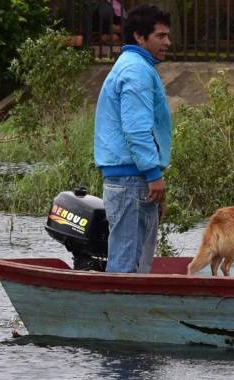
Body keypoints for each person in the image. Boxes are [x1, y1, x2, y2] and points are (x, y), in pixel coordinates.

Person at [94, 4, 172, 273]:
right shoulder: (136, 71)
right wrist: (152, 174)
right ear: (140, 36)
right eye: (161, 36)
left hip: (131, 178)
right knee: (128, 267)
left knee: (135, 264)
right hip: (132, 179)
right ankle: (117, 315)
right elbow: (136, 129)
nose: (168, 42)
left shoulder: (135, 66)